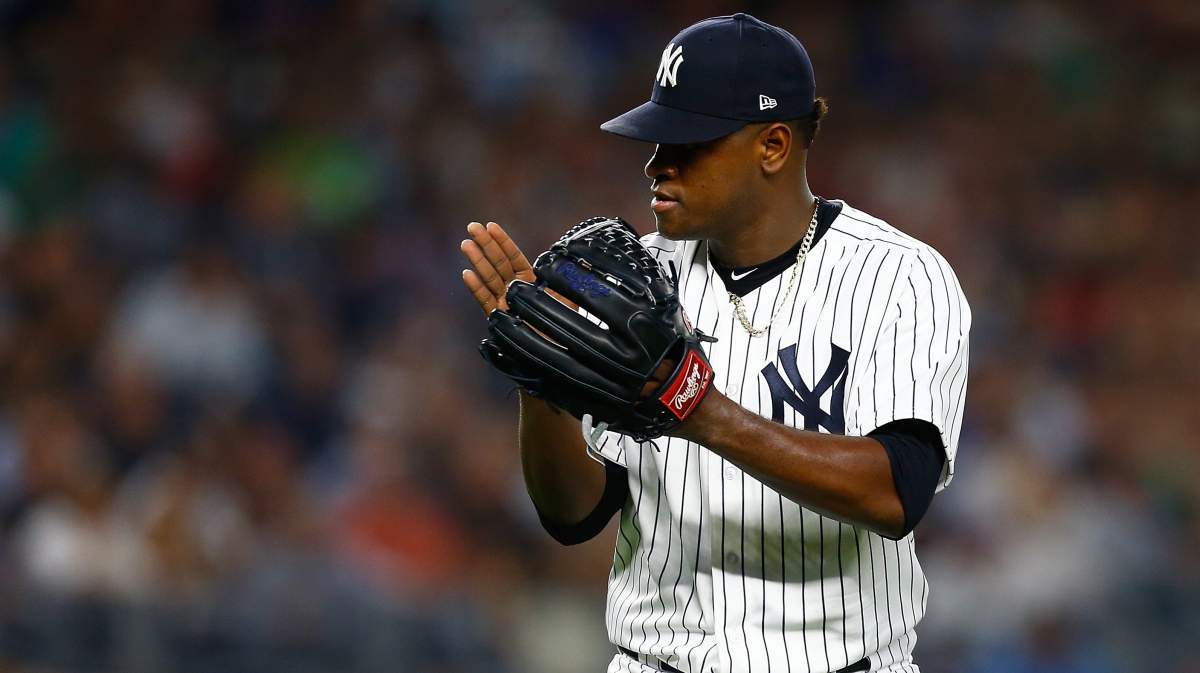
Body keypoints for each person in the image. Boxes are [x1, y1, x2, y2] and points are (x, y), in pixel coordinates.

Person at [459, 13, 969, 673]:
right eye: (656, 140)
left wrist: (698, 410)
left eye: (687, 143)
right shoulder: (633, 280)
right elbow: (574, 517)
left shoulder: (898, 276)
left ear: (773, 146)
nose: (656, 165)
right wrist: (543, 382)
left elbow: (896, 493)